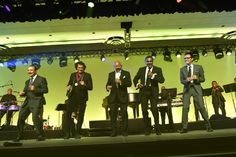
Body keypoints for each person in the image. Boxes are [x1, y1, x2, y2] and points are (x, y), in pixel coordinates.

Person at [179, 52, 213, 133]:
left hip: (196, 88)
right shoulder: (182, 69)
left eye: (188, 58)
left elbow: (203, 79)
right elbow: (181, 81)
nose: (186, 59)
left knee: (201, 107)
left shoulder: (199, 67)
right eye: (185, 58)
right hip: (187, 89)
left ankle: (208, 126)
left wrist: (196, 78)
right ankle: (184, 127)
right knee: (185, 108)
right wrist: (186, 80)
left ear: (191, 59)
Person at [14, 65, 48, 141]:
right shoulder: (27, 81)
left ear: (35, 71)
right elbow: (26, 92)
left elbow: (45, 90)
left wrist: (35, 89)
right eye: (28, 70)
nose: (29, 72)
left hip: (37, 101)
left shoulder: (41, 79)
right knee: (21, 118)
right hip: (27, 102)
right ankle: (19, 136)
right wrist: (22, 93)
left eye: (31, 70)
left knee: (35, 119)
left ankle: (40, 136)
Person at [133, 55, 165, 135]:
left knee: (154, 110)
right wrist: (137, 84)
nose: (149, 62)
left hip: (153, 92)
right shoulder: (141, 70)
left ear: (152, 61)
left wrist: (153, 76)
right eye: (148, 61)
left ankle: (157, 129)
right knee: (144, 110)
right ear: (145, 62)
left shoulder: (158, 69)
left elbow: (162, 80)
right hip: (144, 91)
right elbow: (135, 79)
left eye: (150, 61)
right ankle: (147, 129)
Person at [64, 61, 93, 139]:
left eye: (82, 68)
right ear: (76, 68)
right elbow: (69, 83)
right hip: (72, 98)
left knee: (80, 116)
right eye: (79, 67)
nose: (80, 69)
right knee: (68, 115)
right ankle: (67, 133)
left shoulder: (87, 75)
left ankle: (77, 133)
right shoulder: (73, 75)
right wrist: (68, 86)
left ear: (84, 68)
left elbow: (90, 87)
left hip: (82, 98)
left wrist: (85, 84)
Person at [106, 60, 132, 137]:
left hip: (123, 97)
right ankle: (114, 131)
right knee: (113, 115)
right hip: (113, 98)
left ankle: (124, 131)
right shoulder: (110, 74)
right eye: (115, 65)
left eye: (118, 65)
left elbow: (129, 84)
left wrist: (121, 82)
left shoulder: (126, 73)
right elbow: (108, 84)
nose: (117, 67)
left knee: (124, 114)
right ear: (114, 66)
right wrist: (107, 87)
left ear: (121, 66)